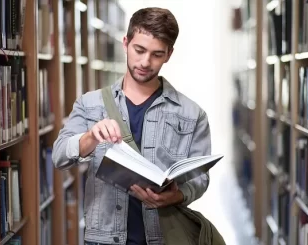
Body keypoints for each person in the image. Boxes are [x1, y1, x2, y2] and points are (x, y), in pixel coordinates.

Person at [52, 7, 211, 245]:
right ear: (125, 43)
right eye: (139, 50)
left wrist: (177, 195)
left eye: (157, 54)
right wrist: (90, 137)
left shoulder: (192, 114)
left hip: (163, 238)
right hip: (103, 239)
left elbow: (200, 179)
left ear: (169, 54)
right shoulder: (90, 103)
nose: (145, 62)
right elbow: (59, 156)